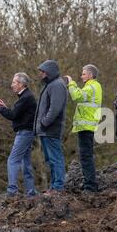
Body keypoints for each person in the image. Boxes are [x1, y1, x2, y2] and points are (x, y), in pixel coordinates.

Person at [0, 72, 37, 198]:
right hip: (27, 132)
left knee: (12, 160)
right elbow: (16, 114)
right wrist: (4, 107)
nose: (12, 85)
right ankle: (31, 192)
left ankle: (12, 190)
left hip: (24, 134)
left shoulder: (26, 98)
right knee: (25, 163)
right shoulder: (25, 97)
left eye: (14, 82)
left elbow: (12, 115)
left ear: (21, 84)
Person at [65, 65, 102, 193]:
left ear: (90, 75)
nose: (81, 76)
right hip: (88, 125)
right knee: (87, 155)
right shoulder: (94, 86)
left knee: (86, 156)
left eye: (83, 74)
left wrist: (71, 83)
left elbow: (76, 96)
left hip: (86, 126)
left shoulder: (91, 86)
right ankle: (90, 183)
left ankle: (90, 186)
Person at [34, 60, 68, 194]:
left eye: (43, 71)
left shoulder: (57, 85)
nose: (41, 74)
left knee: (55, 158)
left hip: (51, 129)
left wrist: (44, 122)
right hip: (45, 130)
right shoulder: (51, 85)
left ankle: (58, 187)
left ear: (50, 71)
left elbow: (55, 108)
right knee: (50, 160)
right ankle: (54, 186)